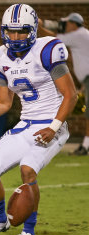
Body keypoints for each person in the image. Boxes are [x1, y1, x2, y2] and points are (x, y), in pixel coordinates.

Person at [0, 4, 77, 235]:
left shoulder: (47, 50)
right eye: (11, 31)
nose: (15, 37)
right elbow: (4, 102)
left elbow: (70, 95)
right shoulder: (1, 56)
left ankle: (28, 232)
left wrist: (55, 126)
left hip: (52, 124)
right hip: (26, 124)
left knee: (28, 170)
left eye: (21, 31)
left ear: (33, 30)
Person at [39, 13, 89, 156]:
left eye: (67, 24)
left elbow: (54, 39)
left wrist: (40, 27)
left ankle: (85, 146)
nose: (65, 27)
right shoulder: (82, 35)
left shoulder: (79, 34)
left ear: (73, 24)